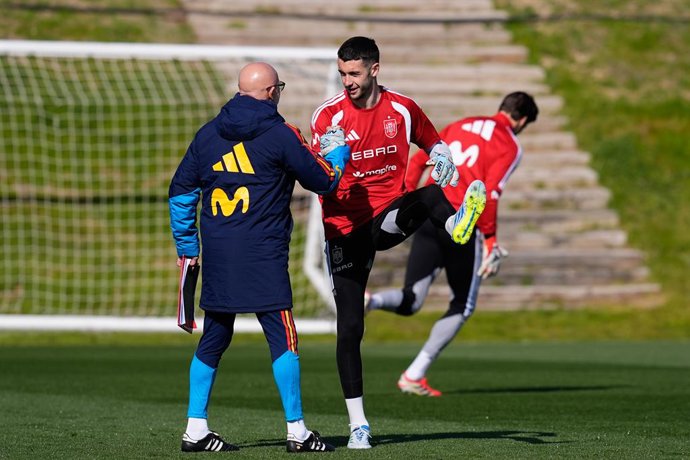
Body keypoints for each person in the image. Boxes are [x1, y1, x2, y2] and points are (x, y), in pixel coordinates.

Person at [309, 36, 487, 449]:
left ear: (375, 69)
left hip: (386, 218)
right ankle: (359, 425)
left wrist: (441, 153)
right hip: (344, 229)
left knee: (430, 193)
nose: (347, 81)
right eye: (342, 74)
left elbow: (431, 138)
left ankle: (457, 223)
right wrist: (329, 160)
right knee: (351, 326)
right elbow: (315, 174)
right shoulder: (328, 117)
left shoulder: (403, 109)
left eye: (353, 73)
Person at [169, 62, 350, 453]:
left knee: (214, 338)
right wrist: (339, 153)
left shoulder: (207, 134)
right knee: (283, 339)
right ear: (271, 92)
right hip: (262, 254)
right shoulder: (281, 135)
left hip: (218, 255)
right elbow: (325, 180)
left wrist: (188, 247)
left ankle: (195, 428)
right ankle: (297, 431)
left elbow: (181, 194)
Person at [367, 91, 539, 396]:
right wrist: (492, 240)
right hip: (460, 221)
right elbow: (491, 192)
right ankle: (414, 373)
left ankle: (372, 301)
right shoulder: (510, 145)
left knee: (412, 300)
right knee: (463, 304)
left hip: (429, 211)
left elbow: (420, 159)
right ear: (522, 120)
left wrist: (407, 196)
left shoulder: (461, 124)